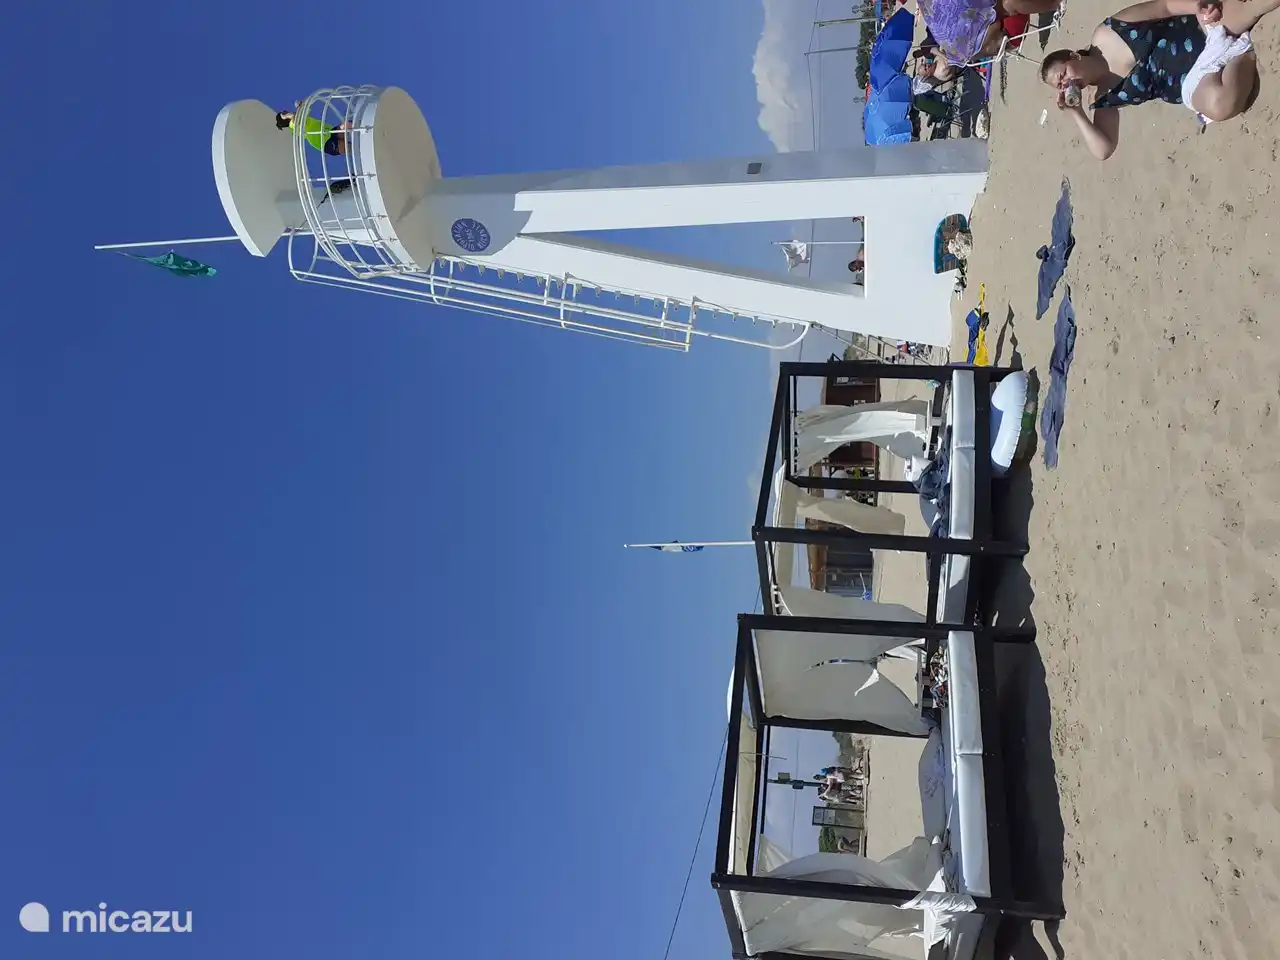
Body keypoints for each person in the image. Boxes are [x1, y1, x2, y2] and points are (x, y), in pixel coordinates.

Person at [1041, 0, 1280, 159]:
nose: (1065, 84)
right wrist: (1076, 113)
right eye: (1059, 86)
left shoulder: (1107, 33)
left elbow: (1163, 6)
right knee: (1220, 105)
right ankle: (1243, 53)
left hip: (1202, 30)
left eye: (1062, 75)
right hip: (1194, 80)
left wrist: (1198, 6)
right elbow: (1104, 150)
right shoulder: (1105, 98)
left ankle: (1234, 44)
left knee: (1255, 6)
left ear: (1073, 56)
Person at [275, 100, 352, 156]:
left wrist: (301, 106)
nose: (287, 111)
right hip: (325, 143)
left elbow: (307, 109)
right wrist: (287, 115)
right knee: (351, 147)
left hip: (329, 132)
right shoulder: (292, 127)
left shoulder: (300, 117)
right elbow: (295, 119)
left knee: (348, 125)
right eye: (284, 113)